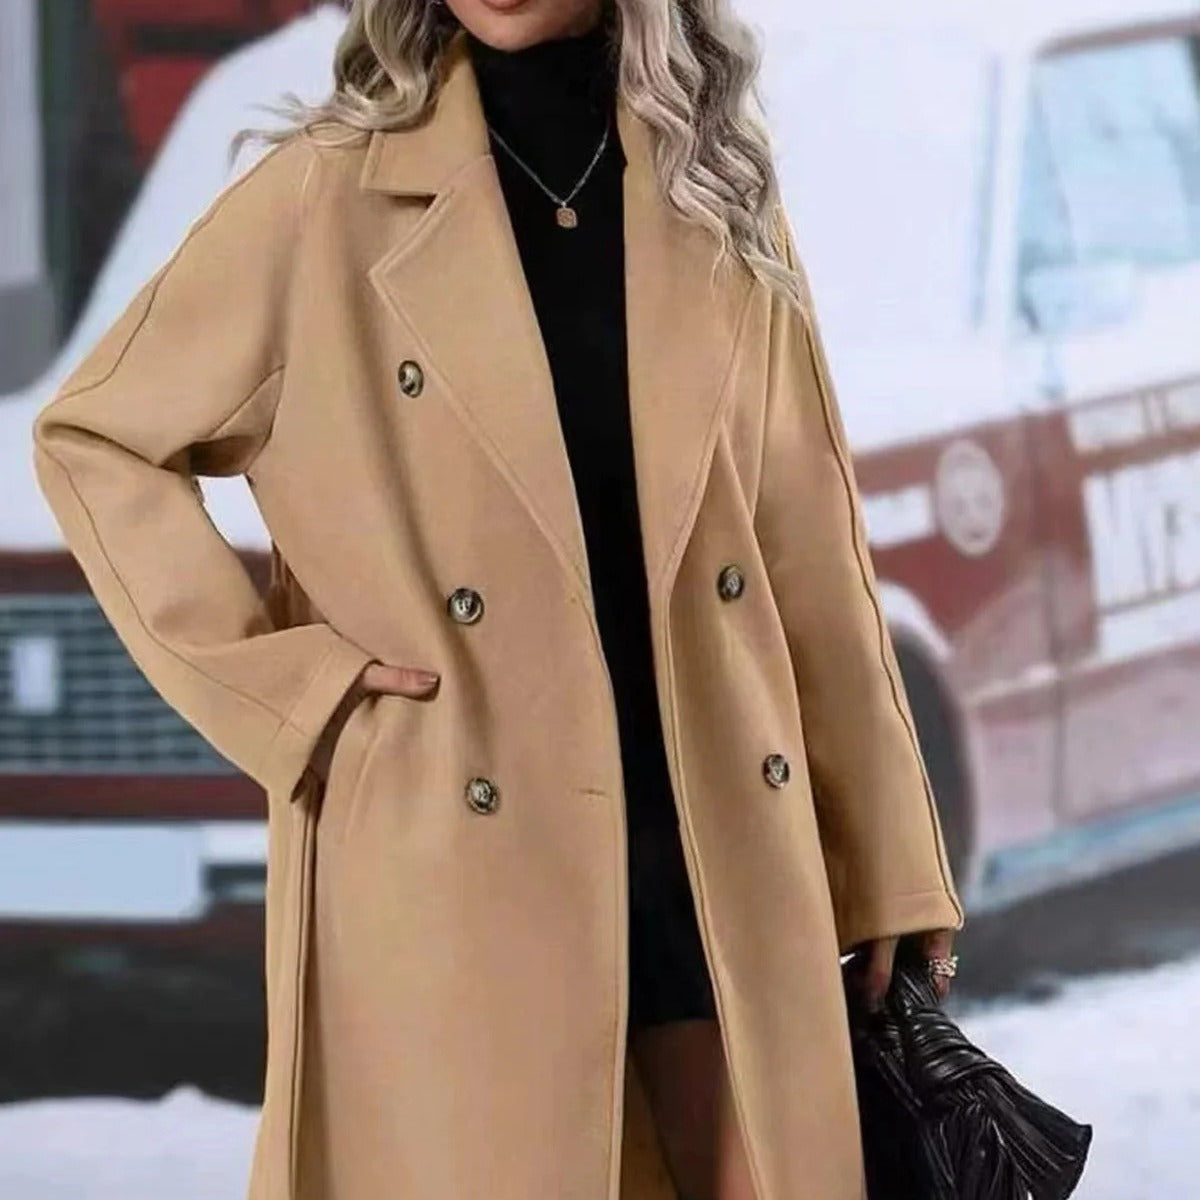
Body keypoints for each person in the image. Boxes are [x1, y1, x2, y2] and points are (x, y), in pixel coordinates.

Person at [31, 1, 965, 1197]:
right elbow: (96, 440)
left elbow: (807, 538)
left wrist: (888, 853)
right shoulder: (323, 199)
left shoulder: (714, 184)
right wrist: (297, 690)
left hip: (715, 834)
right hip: (467, 843)